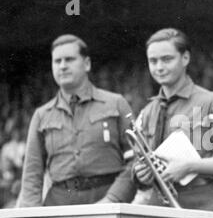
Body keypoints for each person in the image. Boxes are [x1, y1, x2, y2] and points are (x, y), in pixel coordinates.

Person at [16, 34, 137, 207]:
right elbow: (32, 175)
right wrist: (31, 217)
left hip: (107, 201)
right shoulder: (42, 115)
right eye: (57, 61)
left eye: (69, 59)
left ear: (86, 63)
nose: (63, 66)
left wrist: (114, 198)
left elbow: (137, 159)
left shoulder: (116, 103)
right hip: (59, 204)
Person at [132, 28, 213, 212]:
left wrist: (190, 166)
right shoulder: (147, 112)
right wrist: (140, 174)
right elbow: (138, 164)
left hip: (202, 202)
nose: (159, 67)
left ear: (185, 58)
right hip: (158, 205)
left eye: (167, 59)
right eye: (153, 61)